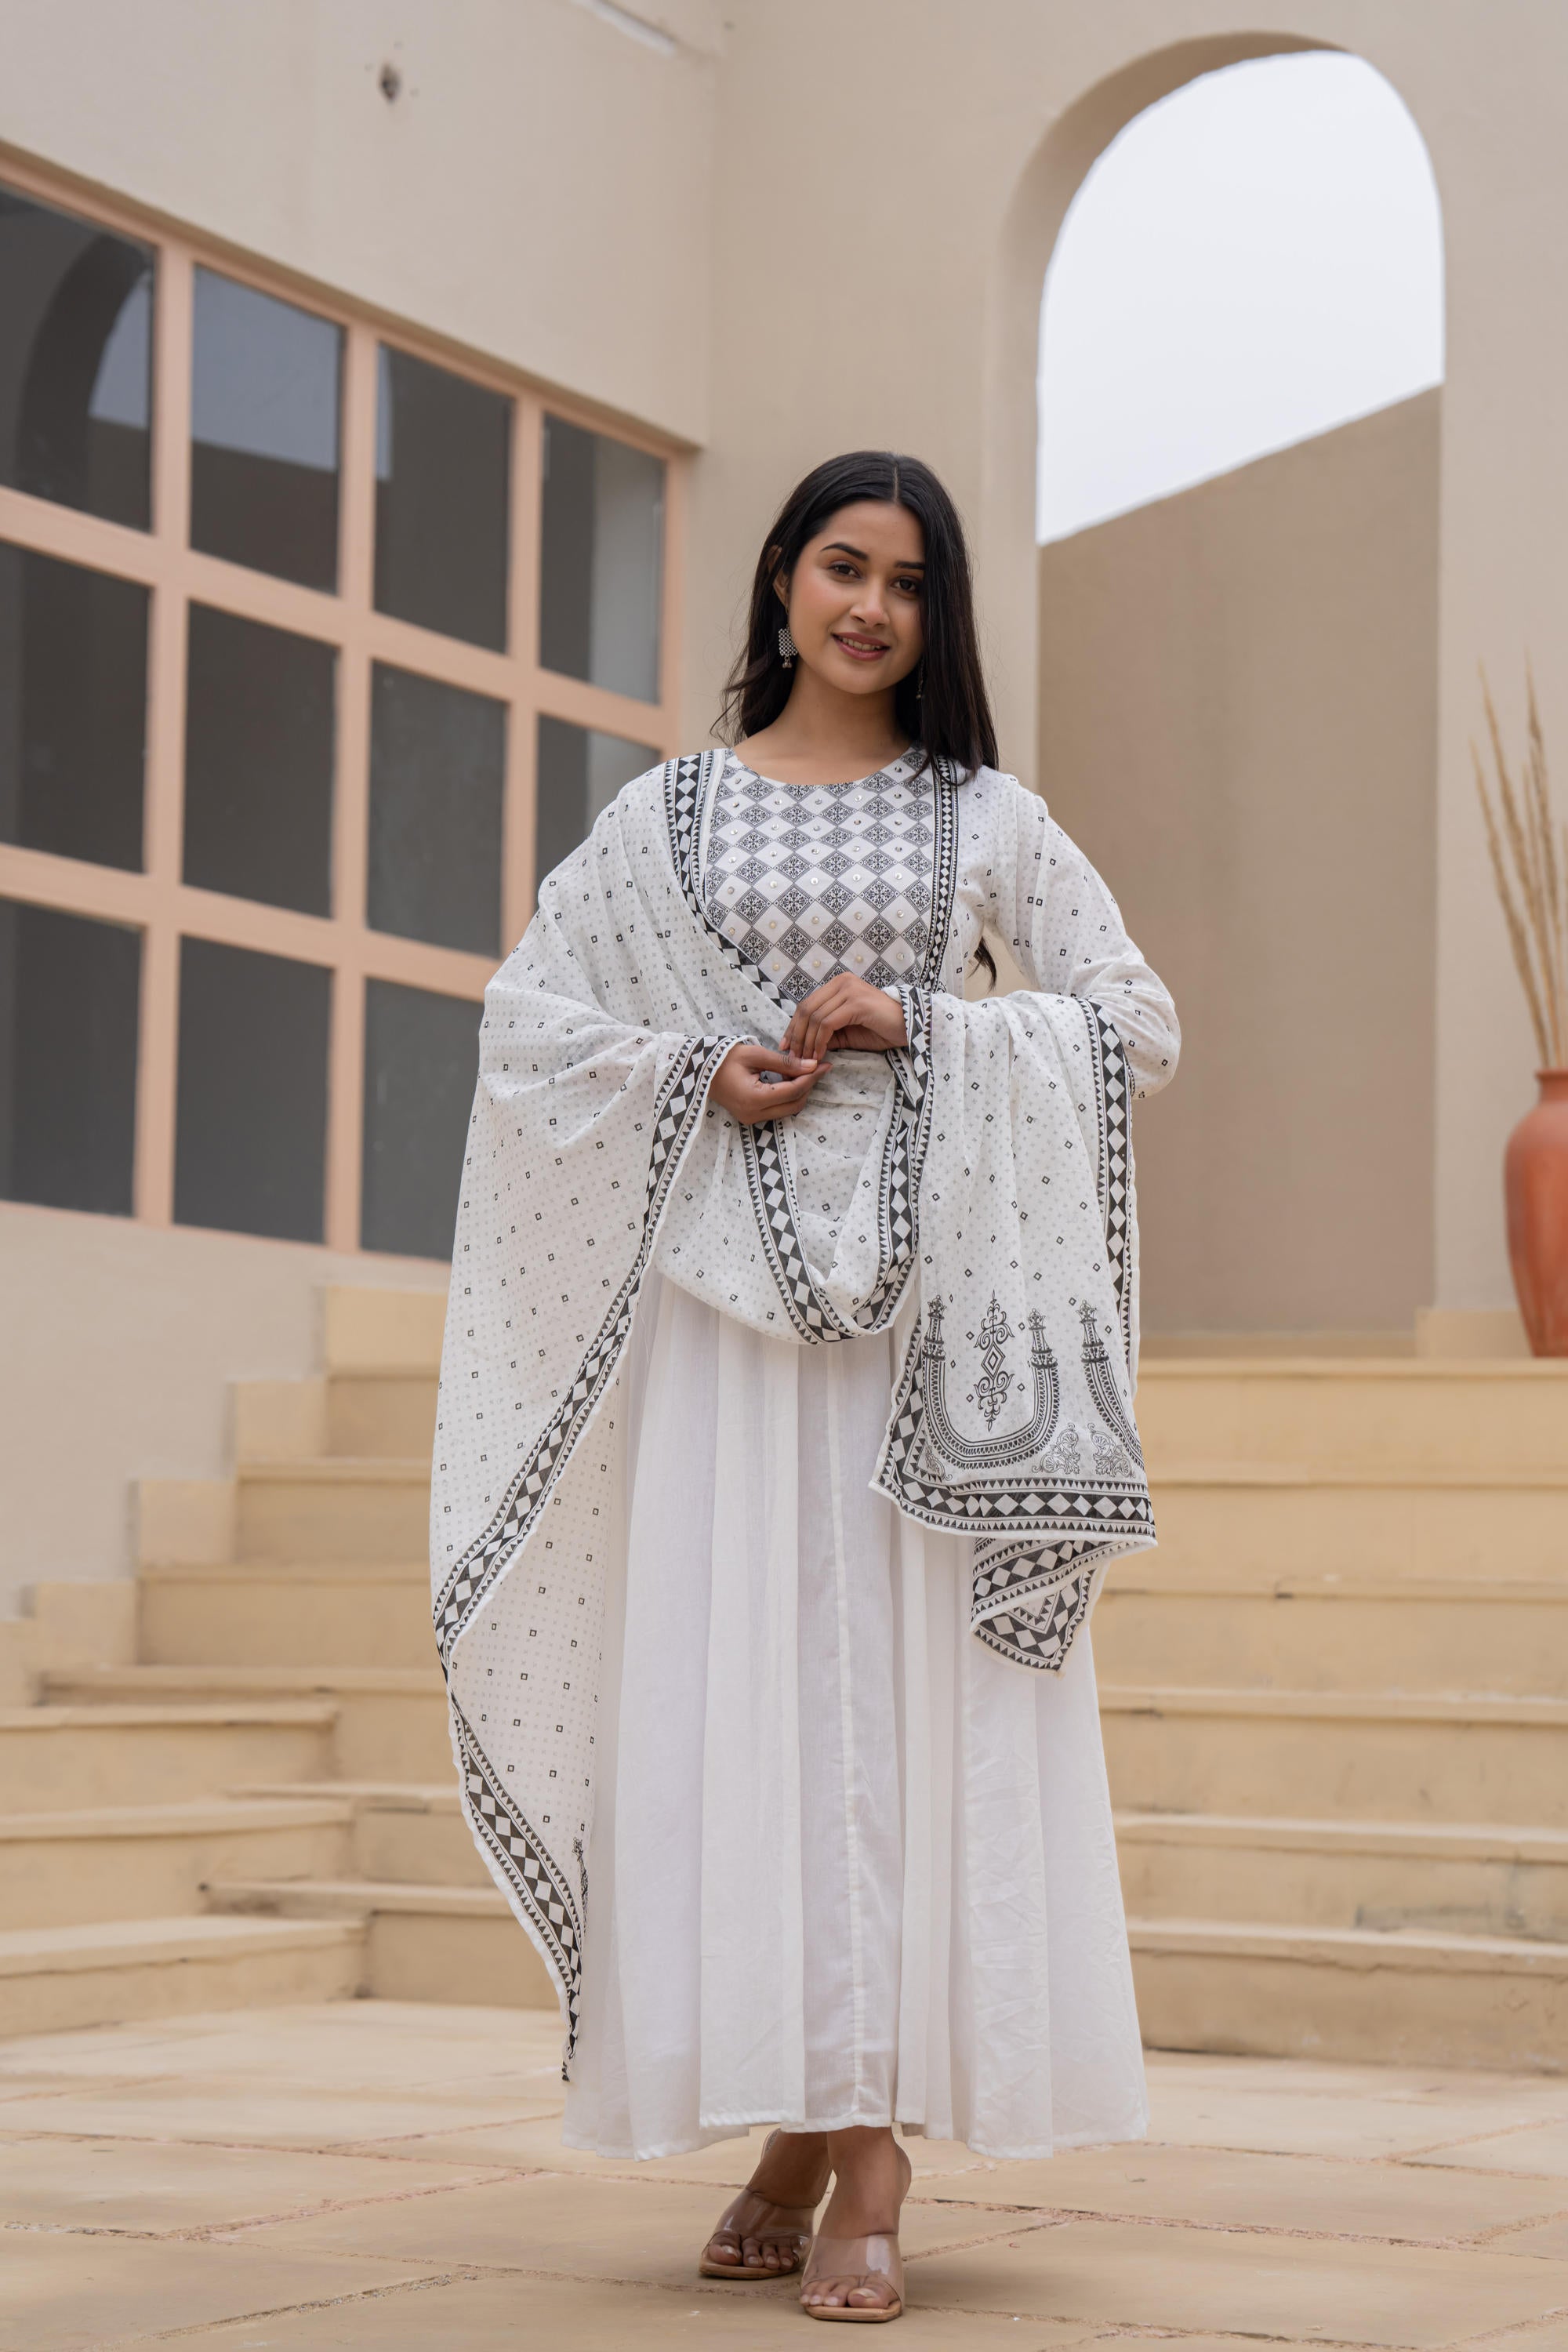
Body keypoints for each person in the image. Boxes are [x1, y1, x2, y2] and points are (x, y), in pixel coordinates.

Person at [431, 451, 1179, 2323]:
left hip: (930, 1330)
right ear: (780, 583)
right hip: (721, 1334)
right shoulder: (661, 819)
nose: (871, 607)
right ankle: (793, 2115)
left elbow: (1133, 1021)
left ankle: (869, 2160)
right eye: (842, 568)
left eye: (909, 582)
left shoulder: (984, 816)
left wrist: (913, 1019)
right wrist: (703, 1065)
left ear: (934, 618)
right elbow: (531, 1023)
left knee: (896, 1712)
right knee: (754, 1704)